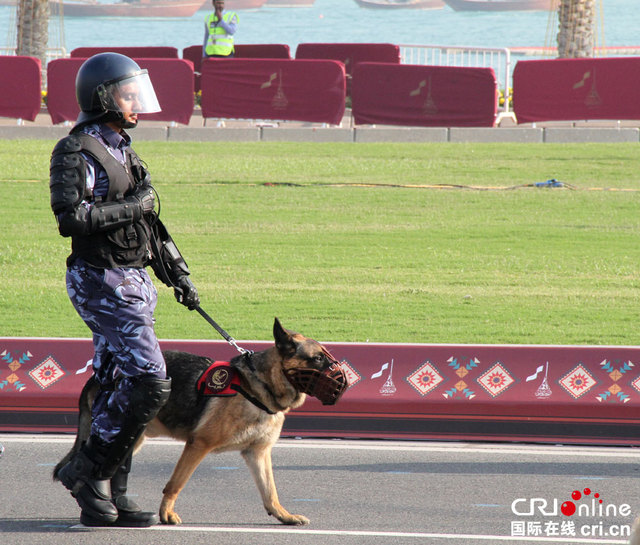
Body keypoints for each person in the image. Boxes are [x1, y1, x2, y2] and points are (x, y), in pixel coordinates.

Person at [49, 52, 199, 527]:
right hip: (100, 278)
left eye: (138, 92)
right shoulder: (75, 151)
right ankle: (87, 470)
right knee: (150, 379)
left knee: (117, 380)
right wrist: (134, 206)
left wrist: (178, 274)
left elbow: (151, 223)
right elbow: (70, 220)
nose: (137, 102)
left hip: (134, 279)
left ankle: (112, 493)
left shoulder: (125, 150)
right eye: (128, 93)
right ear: (102, 98)